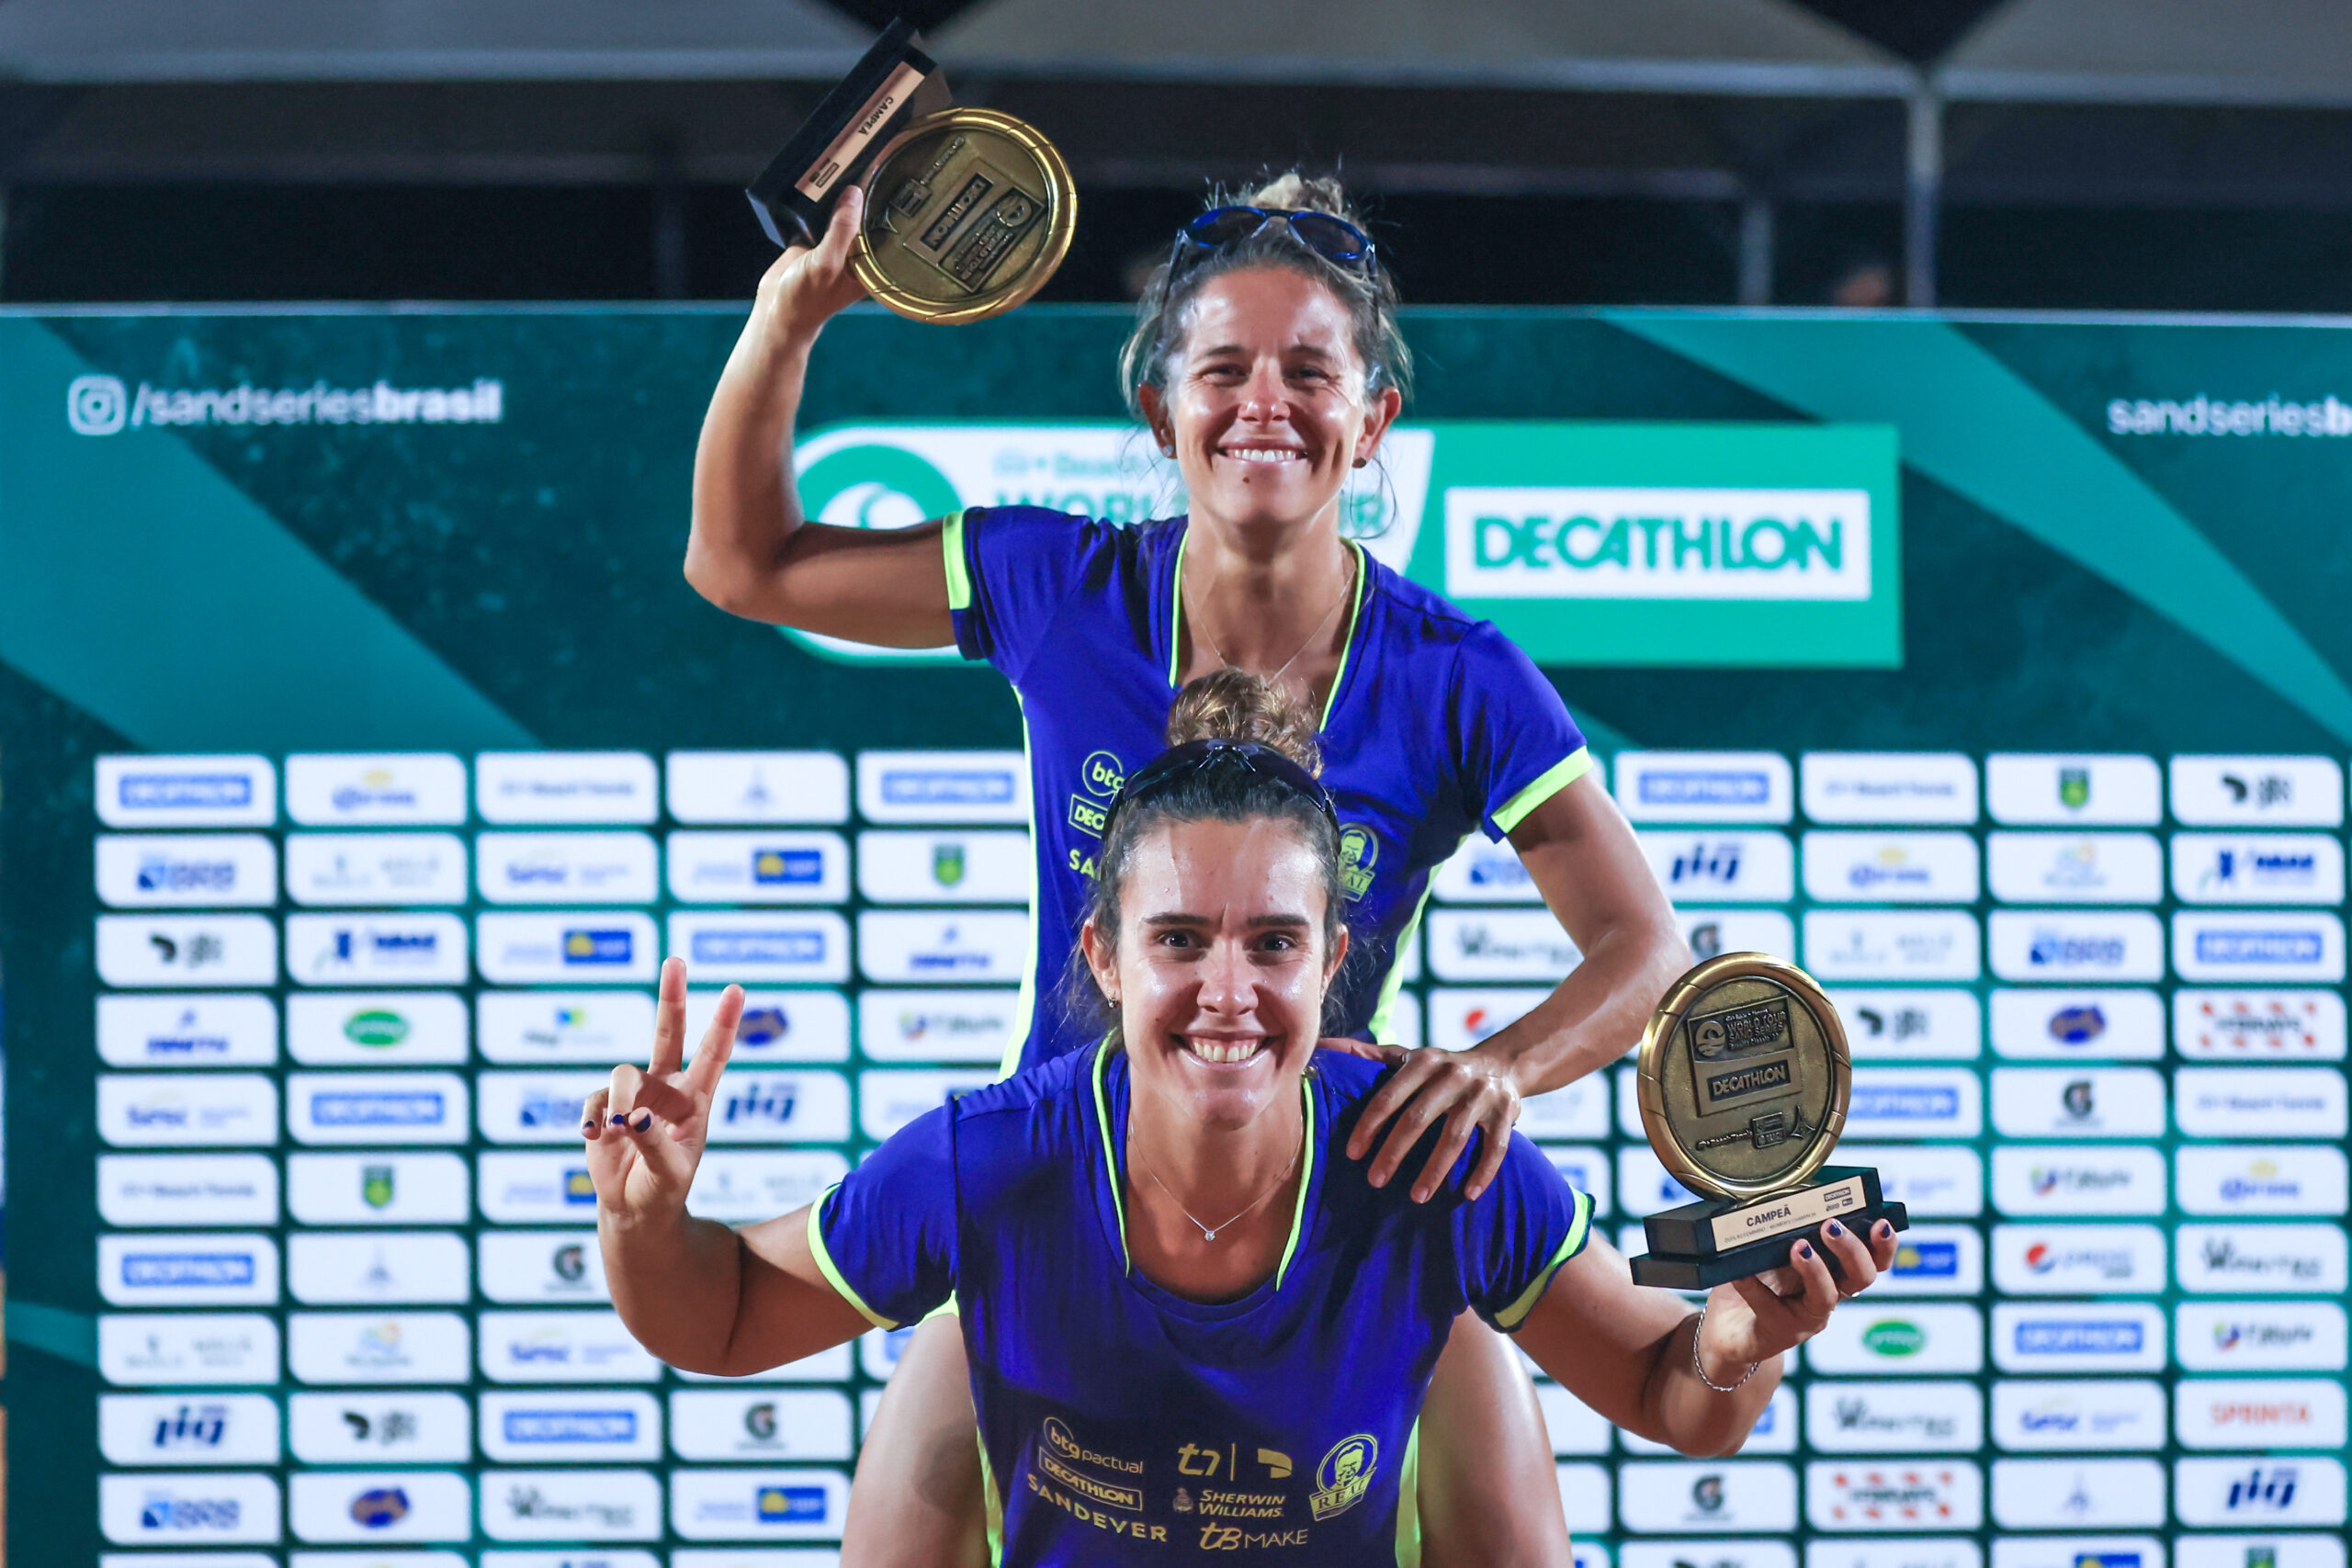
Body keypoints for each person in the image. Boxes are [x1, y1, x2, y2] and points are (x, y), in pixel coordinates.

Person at [685, 174, 1690, 1562]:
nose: (1264, 402)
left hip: (1353, 1215)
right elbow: (743, 564)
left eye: (1309, 371)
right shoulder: (1059, 587)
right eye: (1222, 369)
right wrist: (787, 317)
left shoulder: (1461, 679)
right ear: (1162, 414)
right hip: (1057, 1213)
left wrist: (1500, 1070)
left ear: (1374, 418)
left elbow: (1650, 954)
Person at [587, 685, 1898, 1567]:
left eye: (1274, 941)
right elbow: (720, 1319)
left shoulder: (1437, 1165)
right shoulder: (986, 1162)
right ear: (1103, 957)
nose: (1228, 991)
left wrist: (1739, 1339)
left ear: (1335, 958)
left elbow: (1680, 1397)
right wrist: (644, 1219)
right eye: (1178, 941)